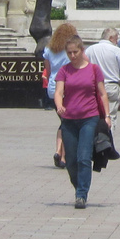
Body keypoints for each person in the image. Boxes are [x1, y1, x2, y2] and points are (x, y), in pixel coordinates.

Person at [53, 32, 109, 209]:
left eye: (75, 52)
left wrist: (107, 116)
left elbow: (102, 93)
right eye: (69, 53)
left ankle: (81, 195)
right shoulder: (64, 70)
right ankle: (79, 187)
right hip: (69, 120)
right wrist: (59, 105)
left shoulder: (93, 69)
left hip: (88, 118)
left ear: (81, 50)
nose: (72, 56)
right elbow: (58, 92)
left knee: (84, 157)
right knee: (70, 160)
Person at [44, 23, 78, 169]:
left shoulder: (49, 49)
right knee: (68, 123)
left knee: (64, 121)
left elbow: (48, 69)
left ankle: (60, 151)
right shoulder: (71, 51)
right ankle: (62, 155)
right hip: (67, 87)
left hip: (52, 87)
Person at [86, 27, 120, 125]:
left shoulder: (89, 50)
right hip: (111, 86)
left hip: (94, 87)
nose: (117, 41)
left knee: (94, 116)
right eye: (116, 38)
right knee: (110, 117)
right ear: (110, 38)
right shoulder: (116, 51)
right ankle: (108, 138)